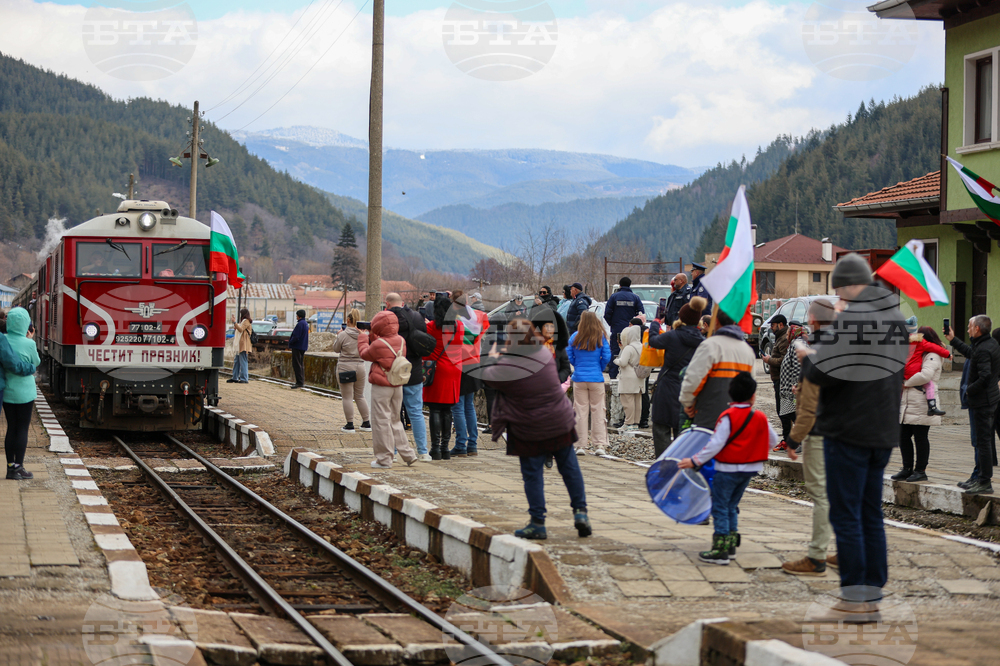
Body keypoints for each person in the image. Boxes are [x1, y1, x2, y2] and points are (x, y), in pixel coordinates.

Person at [799, 253, 908, 618]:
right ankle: (873, 590)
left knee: (846, 515)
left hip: (848, 430)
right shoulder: (894, 317)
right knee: (870, 512)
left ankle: (855, 598)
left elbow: (821, 370)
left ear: (847, 287)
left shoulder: (853, 319)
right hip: (883, 431)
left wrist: (807, 353)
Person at [481, 317, 590, 540]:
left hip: (528, 427)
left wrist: (492, 356)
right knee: (569, 468)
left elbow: (487, 376)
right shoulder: (543, 354)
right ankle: (581, 512)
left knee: (533, 474)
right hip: (559, 420)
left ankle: (538, 522)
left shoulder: (507, 366)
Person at [678, 371, 777, 564]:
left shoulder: (727, 416)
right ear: (753, 395)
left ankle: (721, 549)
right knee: (732, 506)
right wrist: (752, 450)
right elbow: (772, 440)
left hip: (728, 468)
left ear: (730, 394)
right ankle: (731, 545)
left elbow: (714, 444)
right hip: (750, 469)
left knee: (720, 506)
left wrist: (695, 461)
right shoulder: (759, 416)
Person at [782, 299, 837, 577]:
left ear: (812, 319)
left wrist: (793, 440)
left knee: (820, 493)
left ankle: (816, 556)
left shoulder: (814, 351)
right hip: (843, 430)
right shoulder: (842, 345)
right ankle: (849, 548)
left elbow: (810, 406)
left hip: (820, 431)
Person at [946, 315, 1000, 495]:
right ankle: (980, 478)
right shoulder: (987, 343)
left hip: (983, 402)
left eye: (969, 327)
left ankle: (984, 482)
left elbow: (984, 376)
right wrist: (953, 340)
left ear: (977, 329)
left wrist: (969, 389)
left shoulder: (984, 348)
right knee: (982, 442)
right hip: (987, 400)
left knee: (983, 443)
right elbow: (971, 353)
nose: (968, 329)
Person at [358, 311, 417, 468]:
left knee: (381, 421)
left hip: (382, 386)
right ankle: (408, 454)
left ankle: (384, 459)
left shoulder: (378, 344)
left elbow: (365, 354)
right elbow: (387, 349)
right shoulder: (401, 341)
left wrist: (363, 338)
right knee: (395, 419)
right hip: (397, 385)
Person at [648, 297, 707, 457]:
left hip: (667, 388)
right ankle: (680, 465)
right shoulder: (703, 343)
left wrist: (655, 323)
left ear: (681, 318)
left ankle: (664, 466)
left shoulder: (672, 336)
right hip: (690, 391)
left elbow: (653, 341)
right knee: (683, 431)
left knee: (661, 429)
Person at [679, 309, 756, 431]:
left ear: (716, 321)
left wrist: (687, 402)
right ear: (735, 322)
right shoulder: (747, 350)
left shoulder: (709, 346)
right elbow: (751, 387)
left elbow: (694, 379)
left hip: (710, 417)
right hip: (738, 419)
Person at [890, 327, 950, 483]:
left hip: (923, 401)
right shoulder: (918, 352)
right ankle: (906, 468)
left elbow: (926, 375)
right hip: (909, 402)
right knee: (903, 436)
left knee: (920, 437)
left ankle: (920, 470)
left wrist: (905, 383)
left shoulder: (933, 355)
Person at [386, 293, 430, 460]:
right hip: (414, 370)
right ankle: (423, 451)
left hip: (393, 370)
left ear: (387, 304)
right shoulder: (418, 317)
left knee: (393, 412)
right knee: (416, 412)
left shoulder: (386, 319)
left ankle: (395, 452)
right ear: (403, 303)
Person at [424, 294, 465, 460]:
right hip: (454, 369)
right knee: (447, 409)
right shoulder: (459, 326)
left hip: (436, 369)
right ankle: (446, 448)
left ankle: (435, 448)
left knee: (435, 408)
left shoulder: (432, 327)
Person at [567, 311, 611, 456]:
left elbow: (569, 355)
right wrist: (599, 366)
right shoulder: (600, 336)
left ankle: (580, 445)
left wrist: (577, 365)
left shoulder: (575, 336)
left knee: (580, 411)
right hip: (596, 378)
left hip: (579, 378)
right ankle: (599, 445)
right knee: (598, 410)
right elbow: (607, 356)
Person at [3, 308, 40, 481]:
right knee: (22, 429)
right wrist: (30, 340)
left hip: (8, 392)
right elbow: (37, 362)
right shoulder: (29, 343)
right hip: (25, 393)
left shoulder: (3, 340)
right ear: (26, 324)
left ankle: (11, 468)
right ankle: (20, 467)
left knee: (11, 428)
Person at [452, 291, 489, 457]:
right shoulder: (480, 316)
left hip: (459, 363)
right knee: (469, 405)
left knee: (458, 405)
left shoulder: (454, 317)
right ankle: (472, 444)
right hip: (474, 362)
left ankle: (461, 443)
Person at [332, 308, 372, 433]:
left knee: (347, 397)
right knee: (360, 396)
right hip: (360, 366)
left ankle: (349, 425)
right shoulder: (363, 335)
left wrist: (338, 336)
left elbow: (336, 349)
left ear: (348, 320)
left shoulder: (343, 334)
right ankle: (366, 422)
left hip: (345, 366)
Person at [776, 319, 808, 452]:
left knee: (791, 415)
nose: (787, 333)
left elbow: (797, 367)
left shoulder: (797, 344)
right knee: (789, 415)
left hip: (791, 389)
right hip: (788, 388)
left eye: (789, 331)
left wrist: (796, 385)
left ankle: (798, 442)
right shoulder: (795, 343)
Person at [603, 277, 644, 379]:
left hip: (617, 330)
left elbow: (607, 314)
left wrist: (613, 324)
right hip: (631, 332)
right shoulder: (635, 298)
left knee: (615, 353)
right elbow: (641, 315)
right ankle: (631, 376)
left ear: (620, 285)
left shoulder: (614, 297)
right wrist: (634, 326)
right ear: (630, 285)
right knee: (632, 353)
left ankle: (613, 377)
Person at [761, 314, 791, 450]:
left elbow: (784, 361)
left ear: (780, 325)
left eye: (773, 325)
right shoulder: (780, 337)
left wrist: (769, 360)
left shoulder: (785, 338)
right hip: (778, 379)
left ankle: (790, 440)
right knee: (782, 411)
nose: (771, 328)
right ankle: (789, 439)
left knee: (785, 412)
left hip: (782, 380)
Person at [613, 324, 643, 430]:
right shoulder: (642, 346)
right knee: (637, 401)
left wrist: (615, 360)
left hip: (628, 378)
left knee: (627, 401)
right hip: (640, 377)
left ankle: (628, 423)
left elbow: (623, 362)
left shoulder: (629, 348)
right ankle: (635, 423)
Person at [228, 308, 252, 384]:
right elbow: (239, 328)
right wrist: (236, 324)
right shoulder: (243, 322)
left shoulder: (246, 321)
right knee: (237, 361)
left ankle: (244, 378)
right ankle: (235, 377)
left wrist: (234, 322)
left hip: (243, 344)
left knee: (243, 361)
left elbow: (241, 329)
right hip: (240, 344)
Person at [288, 309, 309, 389]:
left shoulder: (300, 324)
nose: (296, 316)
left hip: (297, 346)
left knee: (296, 364)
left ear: (299, 316)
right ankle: (301, 381)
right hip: (303, 346)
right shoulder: (305, 324)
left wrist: (291, 342)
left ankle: (299, 382)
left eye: (297, 315)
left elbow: (296, 336)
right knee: (300, 364)